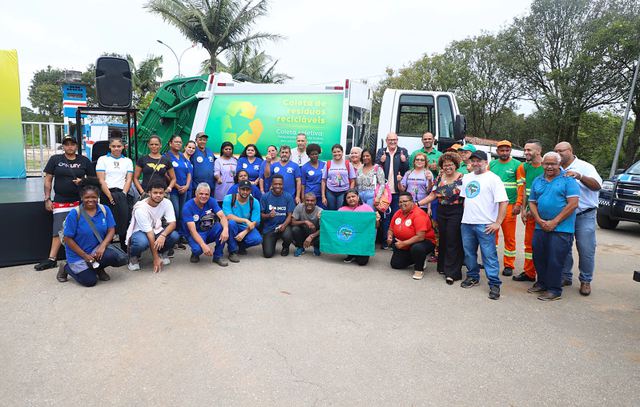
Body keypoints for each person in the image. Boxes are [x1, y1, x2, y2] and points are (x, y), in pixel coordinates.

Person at [35, 135, 96, 271]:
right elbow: (48, 180)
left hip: (81, 201)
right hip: (61, 201)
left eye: (72, 144)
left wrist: (83, 182)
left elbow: (94, 180)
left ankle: (86, 256)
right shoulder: (55, 159)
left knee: (83, 230)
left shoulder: (84, 161)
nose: (70, 146)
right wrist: (47, 198)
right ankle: (52, 259)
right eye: (67, 144)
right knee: (58, 229)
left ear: (76, 146)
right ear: (63, 146)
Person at [528, 152, 580, 301]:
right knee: (539, 256)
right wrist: (538, 219)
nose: (549, 166)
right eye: (547, 163)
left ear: (559, 164)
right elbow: (532, 201)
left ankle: (554, 290)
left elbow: (573, 204)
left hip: (562, 228)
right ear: (543, 164)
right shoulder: (538, 180)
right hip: (540, 226)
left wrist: (554, 221)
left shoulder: (568, 180)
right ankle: (542, 283)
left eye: (553, 164)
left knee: (555, 259)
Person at [459, 150, 508, 300]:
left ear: (486, 162)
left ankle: (494, 283)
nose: (475, 163)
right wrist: (465, 217)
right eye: (473, 160)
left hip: (485, 224)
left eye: (479, 161)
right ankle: (473, 276)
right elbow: (465, 199)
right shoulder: (467, 178)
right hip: (467, 223)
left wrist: (498, 222)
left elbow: (503, 202)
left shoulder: (494, 179)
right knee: (469, 253)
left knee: (489, 255)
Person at [555, 141, 603, 296]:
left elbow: (597, 186)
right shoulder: (555, 167)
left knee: (586, 249)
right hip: (565, 214)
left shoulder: (585, 166)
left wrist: (580, 176)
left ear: (570, 150)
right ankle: (565, 276)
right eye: (556, 151)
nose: (558, 153)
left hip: (584, 215)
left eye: (561, 150)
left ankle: (586, 280)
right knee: (564, 247)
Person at [57, 179, 124, 286]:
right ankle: (66, 267)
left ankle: (98, 268)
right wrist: (84, 256)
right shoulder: (75, 213)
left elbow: (111, 230)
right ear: (82, 198)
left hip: (96, 250)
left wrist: (102, 246)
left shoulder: (104, 209)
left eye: (94, 197)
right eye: (87, 197)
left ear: (98, 198)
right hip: (78, 254)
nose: (90, 200)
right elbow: (67, 239)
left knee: (113, 256)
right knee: (90, 281)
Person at [418, 152, 465, 284]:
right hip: (441, 210)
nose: (447, 167)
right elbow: (433, 195)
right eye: (445, 165)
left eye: (450, 164)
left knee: (452, 239)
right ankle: (443, 267)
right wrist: (417, 204)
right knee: (443, 239)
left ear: (455, 165)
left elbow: (462, 196)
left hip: (456, 211)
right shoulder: (439, 176)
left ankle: (453, 273)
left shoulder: (462, 177)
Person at [126, 180, 180, 272]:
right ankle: (133, 256)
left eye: (161, 193)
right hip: (141, 232)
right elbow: (149, 233)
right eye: (155, 192)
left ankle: (162, 252)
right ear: (149, 193)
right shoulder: (141, 208)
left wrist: (163, 235)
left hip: (156, 229)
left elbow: (173, 223)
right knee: (142, 242)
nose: (158, 195)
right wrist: (155, 259)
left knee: (174, 235)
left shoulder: (167, 202)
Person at [513, 139, 544, 283]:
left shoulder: (548, 166)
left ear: (538, 151)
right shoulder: (524, 167)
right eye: (525, 150)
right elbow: (524, 189)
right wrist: (524, 209)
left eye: (529, 150)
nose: (526, 153)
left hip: (545, 213)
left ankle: (545, 276)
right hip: (529, 212)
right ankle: (529, 273)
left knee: (544, 245)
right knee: (529, 244)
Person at [489, 140, 521, 277]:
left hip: (509, 205)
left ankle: (509, 264)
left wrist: (518, 204)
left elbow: (521, 186)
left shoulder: (517, 165)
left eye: (507, 150)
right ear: (497, 152)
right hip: (493, 206)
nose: (504, 152)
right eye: (501, 150)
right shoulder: (492, 164)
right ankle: (491, 261)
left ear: (510, 151)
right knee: (491, 235)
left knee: (509, 237)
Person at [95, 136, 133, 251]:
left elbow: (129, 179)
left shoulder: (127, 161)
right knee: (108, 222)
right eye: (113, 146)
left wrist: (123, 194)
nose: (116, 148)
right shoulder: (102, 159)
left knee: (124, 221)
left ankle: (124, 249)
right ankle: (107, 249)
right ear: (109, 147)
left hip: (122, 193)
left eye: (119, 146)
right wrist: (109, 196)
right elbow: (101, 180)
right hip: (107, 193)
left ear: (123, 147)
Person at [183, 182, 234, 266]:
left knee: (221, 227)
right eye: (201, 194)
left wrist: (225, 229)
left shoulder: (212, 201)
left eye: (206, 194)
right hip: (194, 233)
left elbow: (222, 216)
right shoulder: (188, 207)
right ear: (196, 193)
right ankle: (195, 253)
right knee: (198, 249)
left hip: (208, 230)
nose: (204, 196)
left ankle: (218, 256)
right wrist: (203, 245)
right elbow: (192, 231)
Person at [387, 192, 436, 280]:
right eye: (400, 202)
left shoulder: (419, 214)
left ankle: (419, 269)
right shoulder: (398, 213)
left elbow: (420, 236)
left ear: (412, 202)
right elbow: (391, 229)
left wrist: (403, 243)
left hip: (424, 241)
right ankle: (419, 258)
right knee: (396, 264)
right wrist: (389, 236)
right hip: (405, 243)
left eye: (405, 201)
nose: (402, 204)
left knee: (417, 248)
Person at [376, 132, 409, 249]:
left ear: (397, 140)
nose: (392, 142)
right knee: (385, 218)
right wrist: (381, 161)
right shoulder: (381, 152)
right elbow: (376, 168)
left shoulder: (403, 151)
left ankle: (395, 242)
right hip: (385, 192)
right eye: (390, 140)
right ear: (386, 140)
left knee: (397, 217)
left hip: (397, 192)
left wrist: (404, 161)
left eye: (394, 140)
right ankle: (385, 243)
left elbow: (407, 169)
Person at [164, 135, 193, 247]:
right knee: (174, 214)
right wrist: (176, 185)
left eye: (180, 142)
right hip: (173, 191)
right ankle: (172, 238)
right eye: (176, 142)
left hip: (184, 190)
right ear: (170, 143)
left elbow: (188, 172)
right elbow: (166, 174)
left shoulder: (182, 156)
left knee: (182, 214)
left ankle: (180, 237)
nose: (178, 144)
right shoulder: (166, 156)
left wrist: (186, 185)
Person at [338, 189, 380, 266]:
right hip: (349, 237)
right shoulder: (341, 210)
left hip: (362, 241)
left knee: (362, 262)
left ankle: (357, 253)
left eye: (353, 196)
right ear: (345, 200)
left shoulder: (367, 208)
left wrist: (377, 220)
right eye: (348, 197)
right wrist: (322, 216)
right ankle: (351, 254)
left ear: (358, 197)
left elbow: (375, 226)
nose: (351, 199)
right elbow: (336, 225)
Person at [222, 180, 262, 255]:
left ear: (250, 190)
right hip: (232, 225)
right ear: (238, 189)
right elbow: (228, 216)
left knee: (257, 239)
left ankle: (240, 247)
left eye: (247, 190)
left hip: (245, 227)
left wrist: (245, 232)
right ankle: (232, 251)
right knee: (231, 223)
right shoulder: (229, 198)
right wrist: (245, 220)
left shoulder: (254, 201)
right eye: (243, 189)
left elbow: (255, 221)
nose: (245, 192)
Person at [260, 175, 295, 257]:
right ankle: (269, 242)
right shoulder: (265, 197)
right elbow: (260, 215)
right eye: (275, 184)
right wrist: (268, 215)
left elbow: (290, 215)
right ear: (272, 184)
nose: (278, 186)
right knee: (268, 254)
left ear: (283, 184)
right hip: (269, 228)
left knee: (288, 235)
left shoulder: (288, 196)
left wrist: (284, 225)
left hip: (283, 227)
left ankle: (285, 247)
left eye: (280, 184)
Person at [322, 144, 357, 210]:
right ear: (332, 153)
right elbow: (323, 180)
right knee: (331, 210)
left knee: (341, 210)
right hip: (330, 191)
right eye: (334, 152)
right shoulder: (328, 163)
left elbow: (352, 180)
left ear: (342, 152)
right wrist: (323, 196)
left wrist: (350, 193)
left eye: (338, 151)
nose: (336, 153)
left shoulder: (348, 164)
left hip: (344, 192)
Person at [291, 192, 322, 257]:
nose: (309, 202)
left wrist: (311, 236)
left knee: (323, 233)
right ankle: (300, 247)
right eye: (307, 200)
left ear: (315, 201)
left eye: (312, 201)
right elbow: (292, 222)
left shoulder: (320, 211)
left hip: (315, 233)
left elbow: (323, 228)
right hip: (303, 232)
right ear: (304, 201)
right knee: (295, 229)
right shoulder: (299, 207)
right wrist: (305, 221)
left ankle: (316, 246)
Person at [300, 143, 326, 208]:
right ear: (308, 155)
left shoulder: (324, 165)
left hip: (322, 195)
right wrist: (303, 197)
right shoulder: (304, 167)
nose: (314, 156)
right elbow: (303, 184)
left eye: (316, 154)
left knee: (321, 214)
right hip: (309, 197)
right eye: (312, 154)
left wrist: (324, 196)